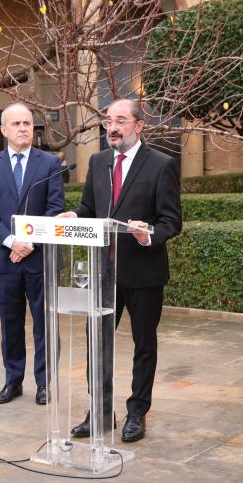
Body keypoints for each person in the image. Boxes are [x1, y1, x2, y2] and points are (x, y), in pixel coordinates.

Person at [58, 98, 182, 443]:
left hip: (144, 273)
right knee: (95, 343)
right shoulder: (97, 163)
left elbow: (172, 221)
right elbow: (88, 208)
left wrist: (148, 234)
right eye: (108, 121)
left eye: (120, 121)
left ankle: (137, 413)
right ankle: (99, 411)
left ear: (138, 126)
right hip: (102, 273)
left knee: (144, 344)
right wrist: (73, 216)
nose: (112, 127)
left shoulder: (161, 165)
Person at [0, 103, 65, 405]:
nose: (23, 128)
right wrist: (12, 242)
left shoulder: (49, 164)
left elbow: (55, 209)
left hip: (40, 258)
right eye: (16, 124)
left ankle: (43, 384)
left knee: (44, 324)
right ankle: (13, 381)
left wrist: (29, 243)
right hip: (6, 260)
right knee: (10, 323)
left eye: (27, 123)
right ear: (4, 130)